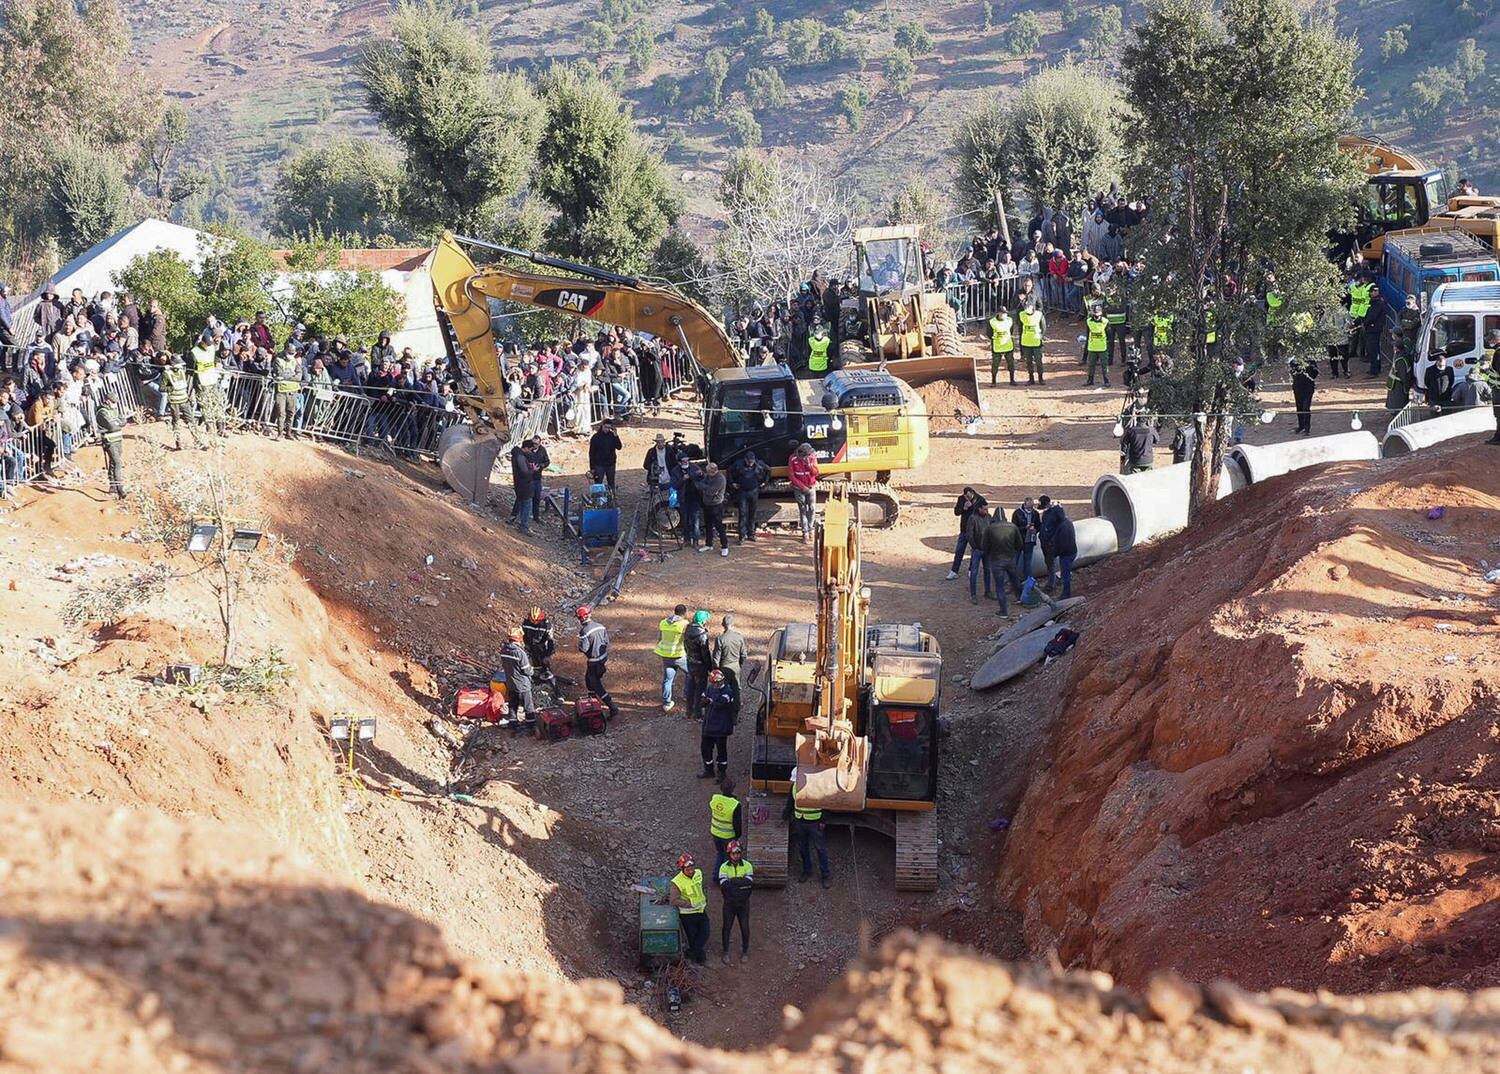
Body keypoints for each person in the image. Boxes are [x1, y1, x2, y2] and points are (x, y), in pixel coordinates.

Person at [664, 854, 710, 966]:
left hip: (700, 910)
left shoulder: (698, 873)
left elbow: (702, 887)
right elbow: (674, 900)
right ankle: (699, 958)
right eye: (688, 869)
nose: (690, 871)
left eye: (691, 868)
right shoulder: (676, 882)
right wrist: (690, 904)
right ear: (682, 869)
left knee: (705, 932)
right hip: (688, 914)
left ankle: (689, 954)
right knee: (693, 938)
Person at [574, 604, 618, 719]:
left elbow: (584, 648)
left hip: (593, 662)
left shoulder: (584, 631)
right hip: (602, 658)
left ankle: (611, 705)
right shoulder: (601, 626)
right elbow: (606, 642)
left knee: (595, 684)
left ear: (582, 618)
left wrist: (580, 643)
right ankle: (593, 698)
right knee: (588, 679)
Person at [786, 777, 832, 888]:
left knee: (820, 849)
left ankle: (825, 875)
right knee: (803, 848)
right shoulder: (795, 786)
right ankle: (806, 871)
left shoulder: (819, 785)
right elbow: (791, 801)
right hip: (800, 821)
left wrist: (823, 820)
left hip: (815, 823)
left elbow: (826, 803)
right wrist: (786, 814)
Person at [718, 838, 754, 965]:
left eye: (738, 853)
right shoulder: (723, 867)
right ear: (729, 854)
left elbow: (749, 884)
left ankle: (745, 951)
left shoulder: (748, 865)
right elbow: (724, 886)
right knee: (726, 928)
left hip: (743, 904)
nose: (736, 855)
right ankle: (726, 951)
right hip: (729, 903)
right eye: (734, 853)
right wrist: (740, 882)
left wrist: (733, 882)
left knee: (745, 928)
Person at [982, 509, 1023, 615]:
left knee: (999, 586)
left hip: (996, 561)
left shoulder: (989, 529)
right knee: (1015, 580)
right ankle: (1020, 598)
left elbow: (984, 547)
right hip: (1010, 559)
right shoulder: (1013, 527)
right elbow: (1019, 544)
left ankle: (1003, 611)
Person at [700, 669, 738, 781]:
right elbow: (704, 695)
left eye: (717, 683)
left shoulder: (728, 692)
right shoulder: (710, 688)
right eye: (713, 683)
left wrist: (710, 701)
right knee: (705, 749)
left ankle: (722, 773)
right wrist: (703, 700)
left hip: (721, 727)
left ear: (721, 681)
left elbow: (720, 703)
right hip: (708, 726)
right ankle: (708, 770)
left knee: (721, 751)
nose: (715, 685)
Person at [162, 355, 204, 451]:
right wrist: (171, 387)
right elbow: (162, 388)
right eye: (178, 363)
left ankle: (198, 441)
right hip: (174, 402)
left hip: (184, 400)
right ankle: (178, 443)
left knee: (191, 421)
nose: (180, 366)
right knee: (176, 422)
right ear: (173, 363)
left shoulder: (182, 371)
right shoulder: (166, 373)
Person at [945, 486, 988, 581]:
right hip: (964, 529)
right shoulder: (961, 499)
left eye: (969, 496)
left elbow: (983, 513)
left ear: (972, 493)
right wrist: (964, 507)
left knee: (974, 550)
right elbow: (956, 512)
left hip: (975, 531)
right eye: (966, 496)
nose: (967, 498)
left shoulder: (980, 500)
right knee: (959, 550)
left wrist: (971, 506)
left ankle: (971, 569)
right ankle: (954, 571)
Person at [654, 604, 690, 713]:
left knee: (668, 679)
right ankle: (687, 695)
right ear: (684, 613)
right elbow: (688, 640)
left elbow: (660, 638)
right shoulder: (684, 624)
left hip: (666, 656)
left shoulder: (663, 622)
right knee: (690, 674)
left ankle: (666, 703)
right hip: (679, 655)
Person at [728, 449, 769, 543]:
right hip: (742, 492)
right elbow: (729, 471)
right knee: (743, 514)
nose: (750, 463)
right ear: (745, 459)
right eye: (749, 461)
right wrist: (732, 483)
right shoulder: (738, 464)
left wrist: (765, 483)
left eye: (752, 461)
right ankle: (742, 535)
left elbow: (768, 470)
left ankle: (751, 533)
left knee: (752, 514)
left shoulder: (759, 464)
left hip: (754, 492)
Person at [498, 626, 536, 725]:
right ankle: (530, 724)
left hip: (510, 683)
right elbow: (526, 670)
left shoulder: (504, 650)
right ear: (520, 638)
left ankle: (513, 722)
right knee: (528, 706)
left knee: (513, 704)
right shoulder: (520, 653)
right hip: (523, 685)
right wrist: (532, 671)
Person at [522, 606, 561, 697]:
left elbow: (550, 641)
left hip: (542, 649)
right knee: (533, 668)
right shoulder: (526, 623)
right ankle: (536, 684)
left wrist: (547, 655)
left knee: (546, 670)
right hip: (530, 648)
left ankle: (558, 693)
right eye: (533, 620)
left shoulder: (546, 626)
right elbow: (523, 635)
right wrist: (525, 646)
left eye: (537, 621)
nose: (535, 623)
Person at [95, 396, 128, 498]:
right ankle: (120, 489)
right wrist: (118, 423)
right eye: (113, 401)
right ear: (108, 401)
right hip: (109, 441)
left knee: (113, 463)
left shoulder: (114, 409)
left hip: (118, 439)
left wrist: (118, 423)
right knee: (117, 463)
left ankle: (113, 486)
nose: (115, 403)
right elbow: (112, 426)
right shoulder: (102, 412)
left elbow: (123, 421)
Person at [695, 462, 730, 556]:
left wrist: (705, 488)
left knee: (719, 526)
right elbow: (701, 484)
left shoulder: (720, 479)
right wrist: (705, 487)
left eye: (709, 472)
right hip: (707, 504)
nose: (707, 474)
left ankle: (724, 546)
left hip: (716, 505)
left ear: (714, 471)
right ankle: (709, 544)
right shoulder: (708, 476)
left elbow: (711, 491)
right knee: (708, 525)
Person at [684, 609, 714, 721]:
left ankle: (688, 711)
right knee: (700, 690)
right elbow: (705, 654)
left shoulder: (687, 629)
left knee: (690, 687)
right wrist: (709, 668)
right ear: (702, 621)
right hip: (700, 666)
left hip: (690, 662)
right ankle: (698, 714)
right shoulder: (702, 635)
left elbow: (684, 645)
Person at [787, 442, 819, 541]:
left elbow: (816, 473)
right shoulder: (792, 458)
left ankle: (811, 529)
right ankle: (805, 532)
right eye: (806, 455)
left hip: (811, 486)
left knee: (812, 508)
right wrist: (802, 486)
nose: (808, 456)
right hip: (799, 489)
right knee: (803, 509)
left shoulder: (812, 457)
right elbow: (791, 475)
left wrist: (809, 465)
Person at [509, 438, 542, 534]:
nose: (531, 451)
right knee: (526, 505)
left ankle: (520, 522)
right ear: (526, 448)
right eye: (530, 449)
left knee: (523, 503)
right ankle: (523, 526)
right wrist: (533, 470)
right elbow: (525, 472)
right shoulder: (520, 457)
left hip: (520, 484)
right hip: (524, 485)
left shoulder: (518, 455)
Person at [1046, 502, 1078, 598]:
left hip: (1066, 554)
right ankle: (1065, 591)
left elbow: (1062, 544)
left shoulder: (1061, 527)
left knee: (1065, 575)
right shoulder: (1068, 522)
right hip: (1072, 551)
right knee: (1066, 573)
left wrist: (1055, 553)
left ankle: (1066, 594)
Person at [271, 347, 302, 440]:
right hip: (281, 390)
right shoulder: (278, 360)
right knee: (281, 413)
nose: (290, 355)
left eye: (292, 354)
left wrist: (287, 377)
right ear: (285, 351)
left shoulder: (296, 362)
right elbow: (280, 373)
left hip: (293, 390)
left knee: (291, 413)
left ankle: (288, 433)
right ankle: (280, 433)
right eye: (289, 353)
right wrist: (292, 376)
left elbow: (299, 376)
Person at [964, 501, 991, 604]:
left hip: (986, 549)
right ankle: (973, 595)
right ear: (979, 509)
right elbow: (969, 535)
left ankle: (988, 591)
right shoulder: (973, 518)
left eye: (987, 509)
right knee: (974, 572)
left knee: (987, 571)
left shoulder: (988, 517)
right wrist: (975, 547)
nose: (986, 511)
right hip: (977, 549)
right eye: (984, 509)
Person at [713, 613, 747, 697]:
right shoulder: (739, 637)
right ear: (733, 624)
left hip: (723, 667)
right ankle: (736, 706)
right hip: (735, 666)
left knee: (723, 688)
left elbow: (716, 657)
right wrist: (739, 664)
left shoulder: (720, 639)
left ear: (723, 625)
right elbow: (743, 654)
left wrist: (716, 669)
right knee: (736, 688)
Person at [1011, 497, 1040, 587]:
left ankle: (1028, 581)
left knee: (1028, 562)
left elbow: (1039, 525)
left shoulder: (1035, 513)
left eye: (1031, 507)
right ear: (1024, 505)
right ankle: (1013, 582)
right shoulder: (1017, 513)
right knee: (1014, 562)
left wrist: (1035, 530)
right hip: (1019, 541)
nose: (1030, 509)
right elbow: (1014, 528)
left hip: (1030, 541)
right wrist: (1025, 528)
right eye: (1028, 507)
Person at [588, 420, 622, 490]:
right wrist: (592, 467)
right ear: (602, 426)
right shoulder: (595, 437)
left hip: (610, 463)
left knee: (611, 483)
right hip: (599, 464)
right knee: (598, 483)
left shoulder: (612, 436)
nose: (607, 429)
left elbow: (619, 447)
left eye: (609, 428)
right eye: (605, 427)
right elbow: (591, 453)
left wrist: (616, 435)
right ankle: (598, 499)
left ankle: (612, 497)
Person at [1018, 302, 1046, 384]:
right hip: (1026, 342)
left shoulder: (1039, 314)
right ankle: (1031, 378)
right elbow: (1019, 326)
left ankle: (1040, 378)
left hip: (1036, 342)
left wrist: (1040, 336)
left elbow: (1043, 327)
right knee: (1028, 361)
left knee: (1038, 361)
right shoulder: (1022, 314)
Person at [1290, 355, 1319, 435]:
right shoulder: (1293, 361)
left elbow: (1315, 373)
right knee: (1299, 407)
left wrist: (1307, 373)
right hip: (1298, 387)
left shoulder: (1310, 360)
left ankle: (1307, 428)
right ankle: (1301, 426)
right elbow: (1292, 372)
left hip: (1308, 388)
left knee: (1306, 408)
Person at [1084, 303, 1110, 386]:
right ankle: (1090, 380)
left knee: (1104, 365)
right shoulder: (1088, 321)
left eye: (1098, 314)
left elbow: (1109, 335)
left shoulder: (1105, 322)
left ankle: (1106, 381)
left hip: (1102, 347)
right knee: (1091, 365)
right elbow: (1088, 334)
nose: (1096, 317)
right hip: (1092, 347)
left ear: (1101, 313)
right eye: (1095, 314)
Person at [987, 307, 1015, 386]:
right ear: (998, 313)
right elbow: (989, 333)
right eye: (1002, 313)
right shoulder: (992, 322)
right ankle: (993, 381)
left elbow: (1011, 331)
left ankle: (1012, 380)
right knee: (995, 364)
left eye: (1005, 313)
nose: (1004, 315)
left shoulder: (1009, 320)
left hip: (1008, 345)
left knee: (1011, 363)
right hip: (997, 346)